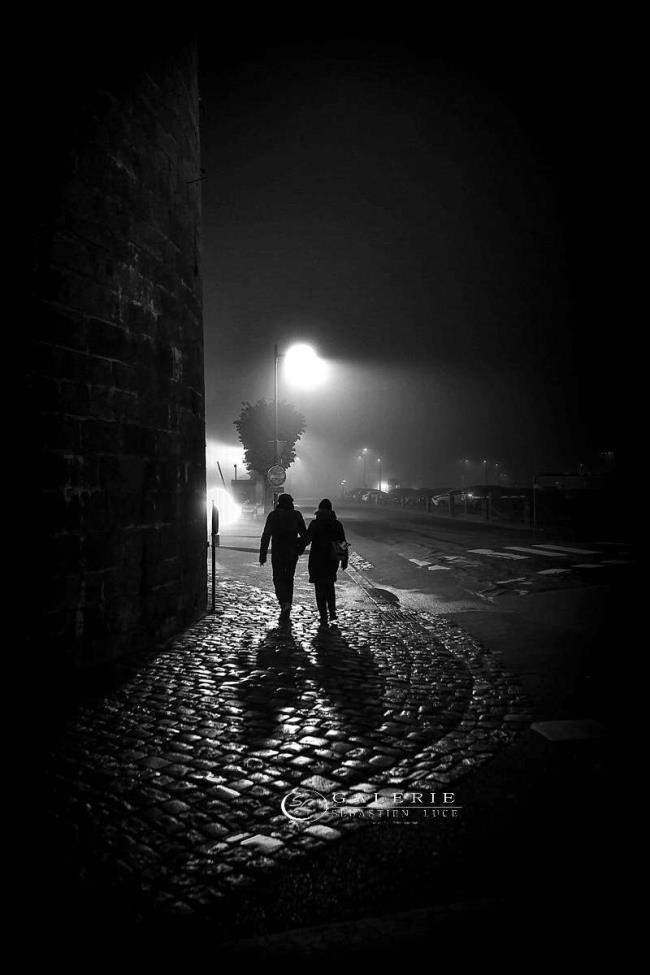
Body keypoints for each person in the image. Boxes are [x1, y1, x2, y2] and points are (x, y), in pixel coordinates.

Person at [259, 493, 307, 620]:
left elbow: (266, 535)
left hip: (278, 552)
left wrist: (262, 555)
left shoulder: (273, 516)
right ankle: (287, 603)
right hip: (292, 552)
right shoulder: (297, 515)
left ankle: (284, 602)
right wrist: (300, 548)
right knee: (289, 578)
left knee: (278, 578)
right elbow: (305, 535)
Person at [303, 498, 349, 626]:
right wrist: (344, 560)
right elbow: (342, 543)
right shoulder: (337, 524)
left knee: (319, 588)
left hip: (316, 559)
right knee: (329, 586)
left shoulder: (315, 524)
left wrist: (296, 547)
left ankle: (323, 614)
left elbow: (306, 540)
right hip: (331, 560)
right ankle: (332, 611)